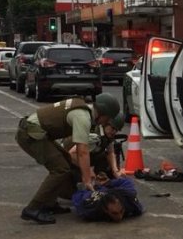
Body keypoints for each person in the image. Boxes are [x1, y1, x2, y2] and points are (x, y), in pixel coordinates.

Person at [15, 93, 120, 224]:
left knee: (65, 161)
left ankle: (49, 203)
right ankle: (33, 208)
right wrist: (87, 180)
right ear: (103, 114)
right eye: (108, 119)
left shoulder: (83, 109)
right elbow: (82, 151)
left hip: (38, 133)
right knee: (61, 169)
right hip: (30, 134)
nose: (106, 122)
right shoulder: (83, 117)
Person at [67, 112, 126, 183]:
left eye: (116, 130)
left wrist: (115, 171)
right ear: (105, 124)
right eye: (113, 128)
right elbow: (72, 154)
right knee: (82, 182)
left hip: (85, 155)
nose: (114, 132)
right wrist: (88, 170)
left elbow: (111, 152)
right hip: (70, 159)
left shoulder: (107, 134)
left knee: (104, 158)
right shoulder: (94, 136)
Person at [71, 174, 144, 222]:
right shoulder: (89, 208)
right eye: (114, 213)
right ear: (105, 210)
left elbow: (127, 182)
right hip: (94, 191)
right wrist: (86, 188)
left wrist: (107, 183)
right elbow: (76, 197)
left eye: (121, 211)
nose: (120, 217)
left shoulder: (130, 200)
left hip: (113, 189)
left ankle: (103, 181)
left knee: (127, 183)